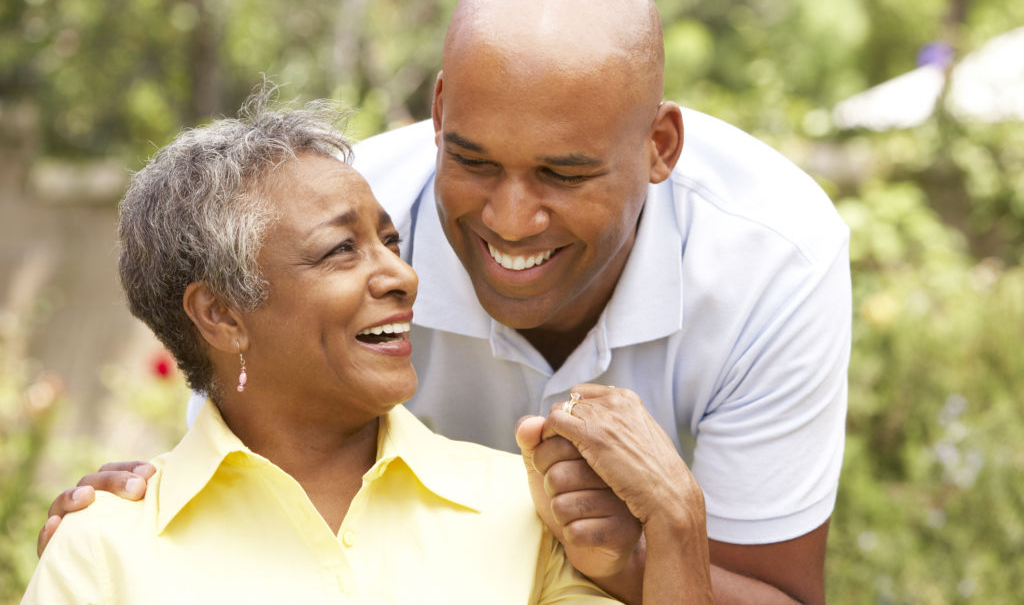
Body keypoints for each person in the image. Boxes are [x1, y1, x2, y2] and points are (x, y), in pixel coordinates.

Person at [39, 0, 848, 604]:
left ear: (660, 148)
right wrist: (126, 521)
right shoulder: (345, 206)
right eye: (472, 160)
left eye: (563, 175)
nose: (509, 216)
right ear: (436, 115)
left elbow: (780, 591)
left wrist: (652, 543)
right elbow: (245, 427)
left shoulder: (774, 257)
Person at [24, 93, 713, 603]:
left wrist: (676, 525)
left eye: (389, 240)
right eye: (340, 250)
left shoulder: (525, 512)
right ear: (221, 313)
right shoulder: (104, 550)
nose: (401, 275)